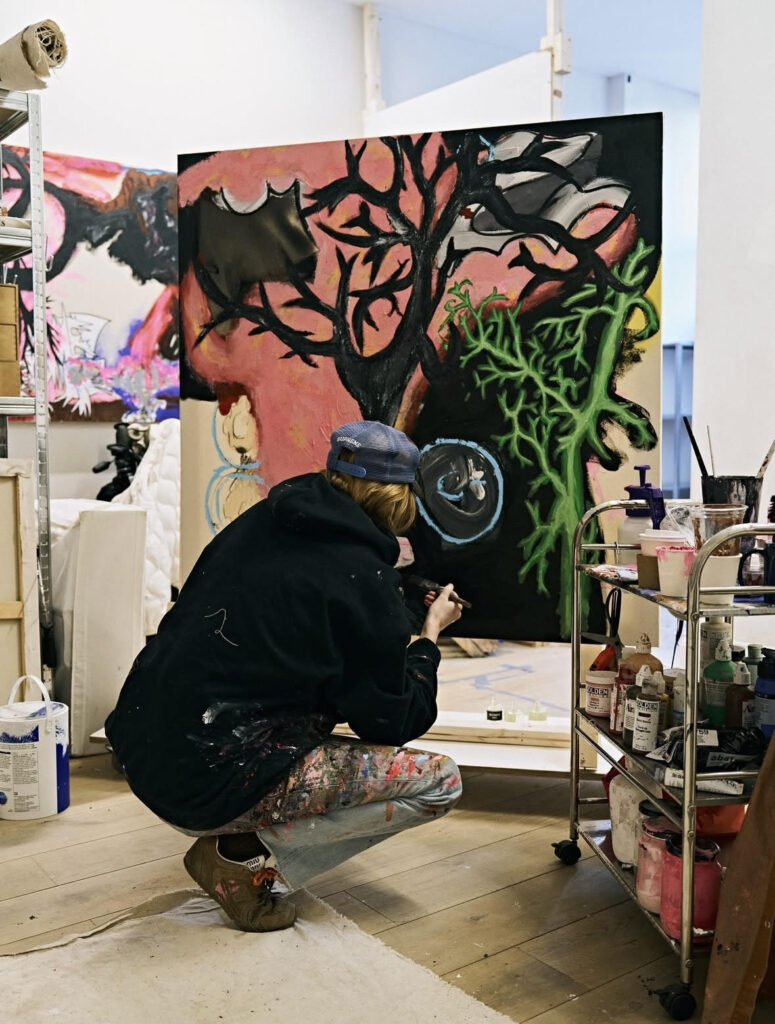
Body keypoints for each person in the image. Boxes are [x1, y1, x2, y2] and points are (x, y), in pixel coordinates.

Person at [105, 421, 464, 932]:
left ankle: (235, 840)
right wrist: (427, 640)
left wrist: (392, 595)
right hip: (207, 779)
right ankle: (240, 859)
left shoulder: (261, 522)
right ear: (399, 498)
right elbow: (392, 721)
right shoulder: (362, 582)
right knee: (439, 783)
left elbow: (302, 596)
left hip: (142, 748)